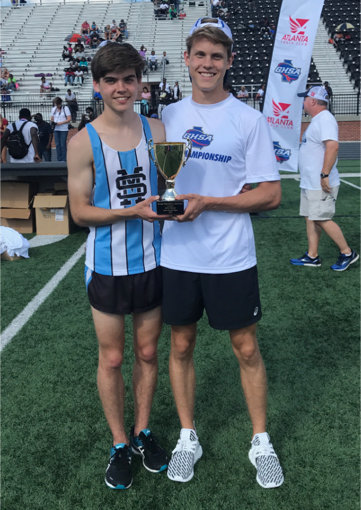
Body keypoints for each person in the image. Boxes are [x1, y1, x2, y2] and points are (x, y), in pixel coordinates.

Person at [160, 17, 284, 488]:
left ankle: (260, 440)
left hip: (231, 255)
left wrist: (210, 202)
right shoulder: (166, 117)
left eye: (217, 55)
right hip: (177, 254)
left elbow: (270, 194)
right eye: (200, 54)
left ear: (229, 61)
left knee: (246, 347)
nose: (207, 63)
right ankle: (188, 436)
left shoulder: (249, 119)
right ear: (187, 59)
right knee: (181, 344)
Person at [67, 42, 170, 491]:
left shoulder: (158, 129)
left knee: (148, 353)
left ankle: (143, 432)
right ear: (97, 85)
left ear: (140, 83)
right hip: (107, 265)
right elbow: (80, 212)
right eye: (112, 80)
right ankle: (118, 443)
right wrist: (133, 212)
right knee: (112, 358)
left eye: (129, 79)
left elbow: (169, 189)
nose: (122, 88)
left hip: (153, 260)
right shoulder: (81, 142)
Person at [290, 86, 358, 271]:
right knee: (311, 217)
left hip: (320, 182)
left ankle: (347, 252)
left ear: (312, 100)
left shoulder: (325, 119)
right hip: (311, 182)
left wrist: (324, 174)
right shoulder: (318, 120)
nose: (303, 102)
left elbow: (333, 147)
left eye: (305, 99)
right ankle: (312, 256)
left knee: (321, 217)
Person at [50, 97, 71, 162]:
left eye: (57, 104)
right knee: (57, 145)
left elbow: (69, 118)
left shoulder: (65, 108)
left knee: (63, 145)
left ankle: (63, 159)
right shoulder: (53, 109)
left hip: (63, 129)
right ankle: (59, 159)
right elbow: (52, 118)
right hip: (56, 128)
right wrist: (53, 122)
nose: (56, 105)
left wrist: (61, 123)